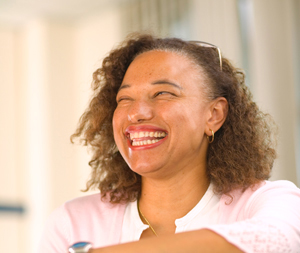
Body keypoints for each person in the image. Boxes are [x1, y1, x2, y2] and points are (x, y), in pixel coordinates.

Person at [38, 34, 300, 253]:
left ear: (214, 115)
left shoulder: (267, 201)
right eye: (124, 98)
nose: (136, 112)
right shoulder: (72, 223)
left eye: (163, 93)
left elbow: (276, 241)